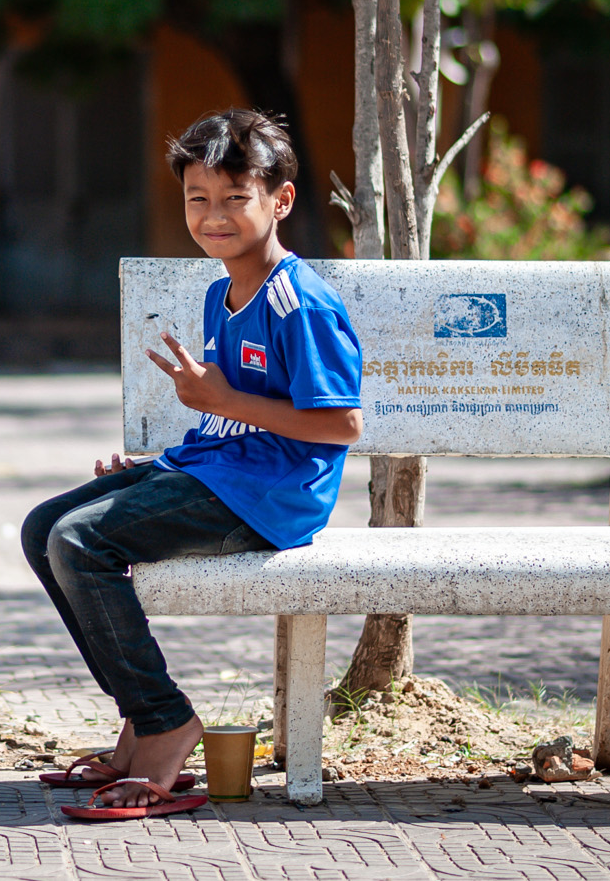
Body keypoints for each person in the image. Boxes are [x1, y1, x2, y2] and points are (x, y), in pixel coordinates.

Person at [21, 109, 364, 820]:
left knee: (79, 542)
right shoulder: (221, 292)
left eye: (235, 198)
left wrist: (222, 398)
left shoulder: (299, 304)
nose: (214, 216)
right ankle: (139, 714)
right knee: (43, 528)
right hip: (215, 470)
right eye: (197, 198)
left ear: (281, 200)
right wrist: (154, 468)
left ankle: (165, 723)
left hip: (269, 495)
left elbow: (340, 424)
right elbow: (230, 416)